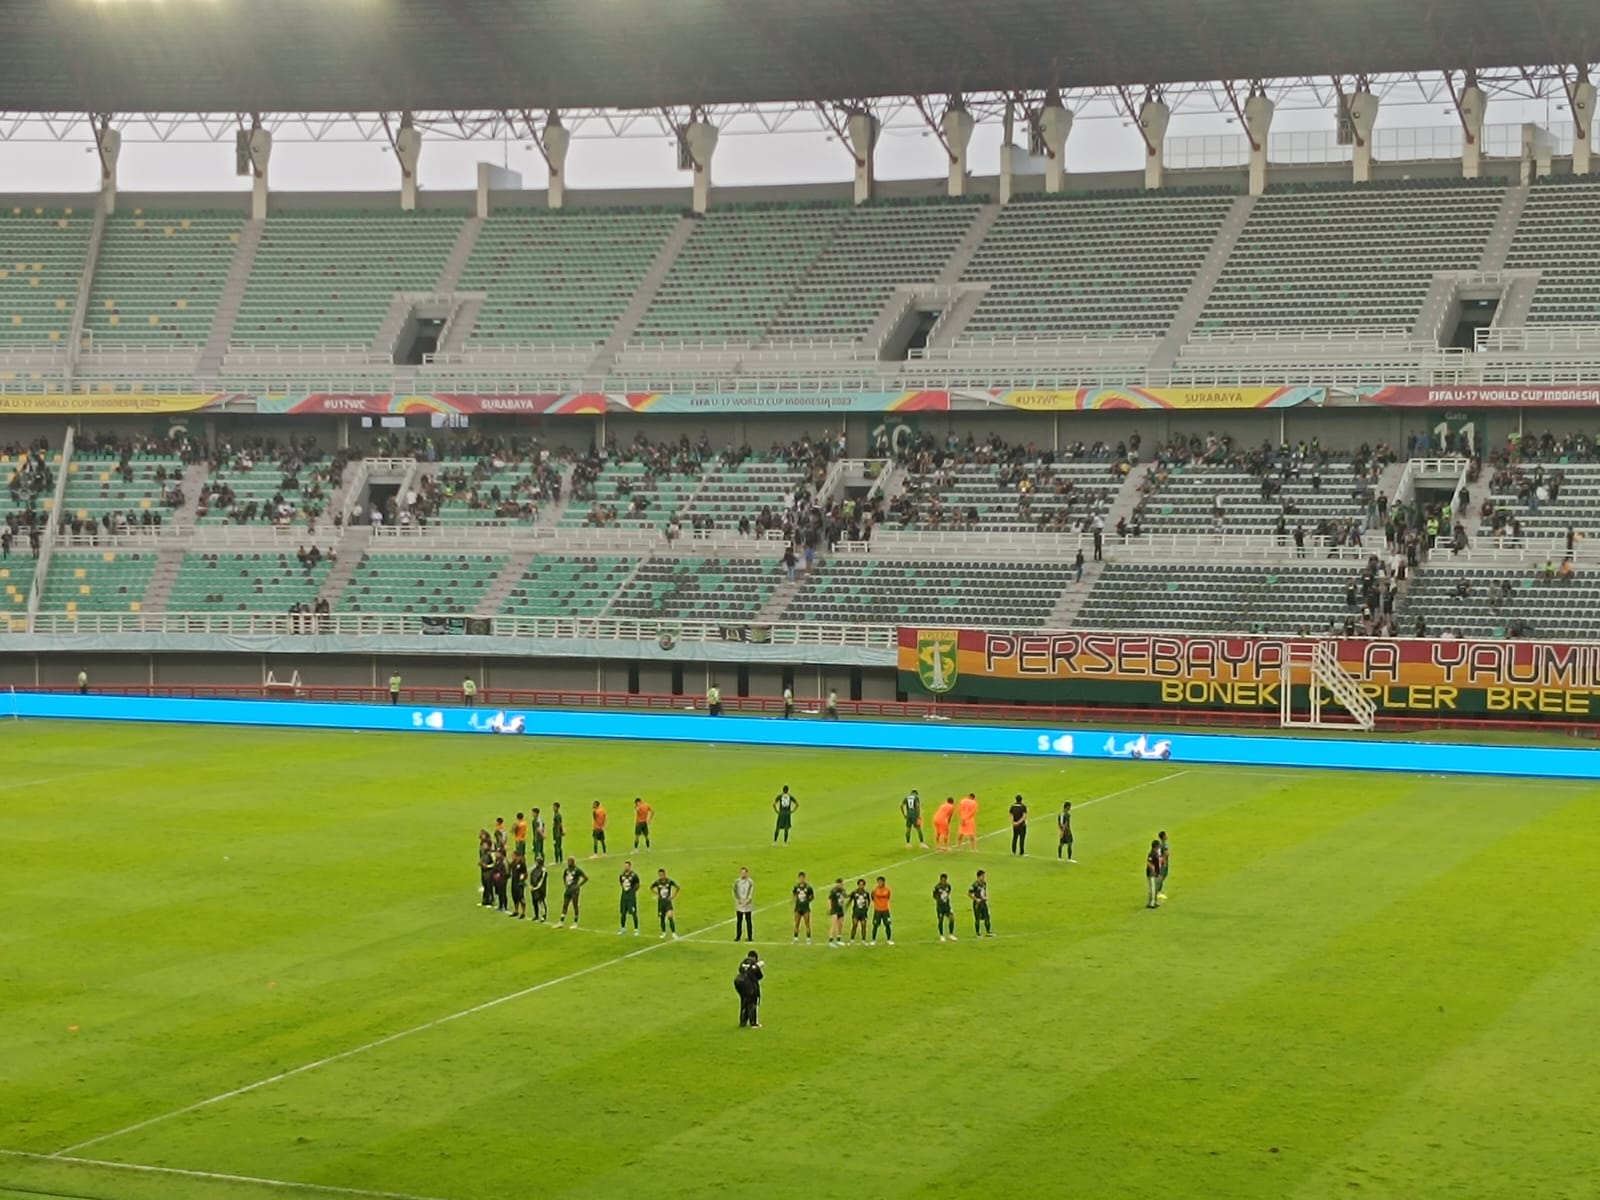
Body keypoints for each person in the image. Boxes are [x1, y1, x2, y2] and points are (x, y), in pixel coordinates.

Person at [735, 951, 764, 1028]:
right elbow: (760, 976)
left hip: (739, 984)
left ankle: (743, 1022)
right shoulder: (754, 965)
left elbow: (740, 971)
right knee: (752, 1003)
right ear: (755, 957)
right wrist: (758, 967)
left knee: (744, 1002)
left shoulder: (742, 963)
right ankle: (753, 1023)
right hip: (749, 985)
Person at [557, 856, 588, 927]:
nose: (568, 863)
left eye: (570, 861)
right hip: (568, 889)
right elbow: (564, 876)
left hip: (574, 890)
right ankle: (561, 921)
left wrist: (579, 885)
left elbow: (586, 878)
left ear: (573, 862)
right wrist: (565, 884)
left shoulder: (577, 870)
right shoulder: (567, 870)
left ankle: (575, 922)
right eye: (568, 861)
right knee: (565, 905)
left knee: (575, 905)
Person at [652, 868, 680, 939]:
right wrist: (657, 894)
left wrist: (673, 897)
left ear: (664, 874)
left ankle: (673, 933)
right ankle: (663, 932)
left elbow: (678, 887)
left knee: (670, 916)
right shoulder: (657, 882)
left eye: (662, 875)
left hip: (668, 902)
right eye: (659, 875)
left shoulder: (669, 881)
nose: (660, 876)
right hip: (661, 903)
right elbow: (651, 887)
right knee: (662, 918)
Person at [618, 860, 642, 935]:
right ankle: (623, 928)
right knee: (623, 913)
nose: (625, 867)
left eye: (627, 866)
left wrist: (633, 891)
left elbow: (638, 885)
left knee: (634, 913)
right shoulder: (622, 875)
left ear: (630, 866)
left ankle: (636, 929)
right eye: (625, 866)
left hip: (631, 897)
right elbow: (621, 883)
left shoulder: (634, 875)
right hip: (624, 896)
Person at [791, 871, 816, 944]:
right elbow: (794, 895)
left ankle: (808, 939)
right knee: (796, 924)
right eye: (800, 878)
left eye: (803, 878)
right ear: (799, 878)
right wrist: (793, 901)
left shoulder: (808, 887)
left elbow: (812, 897)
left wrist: (808, 901)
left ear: (805, 878)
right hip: (798, 908)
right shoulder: (796, 887)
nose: (802, 879)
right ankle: (795, 939)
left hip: (806, 909)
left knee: (807, 924)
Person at [933, 872, 957, 942]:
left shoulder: (948, 886)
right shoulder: (936, 887)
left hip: (947, 906)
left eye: (945, 880)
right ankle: (941, 935)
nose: (943, 882)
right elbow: (934, 895)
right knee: (941, 920)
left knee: (952, 918)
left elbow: (948, 892)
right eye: (942, 880)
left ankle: (951, 934)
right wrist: (939, 900)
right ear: (940, 880)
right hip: (940, 907)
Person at [733, 866, 755, 941]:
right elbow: (734, 891)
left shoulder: (750, 882)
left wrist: (747, 901)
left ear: (747, 873)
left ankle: (750, 937)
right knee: (739, 921)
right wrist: (739, 900)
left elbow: (751, 893)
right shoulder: (737, 881)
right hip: (739, 904)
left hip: (748, 904)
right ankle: (738, 936)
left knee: (748, 920)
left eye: (744, 873)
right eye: (742, 873)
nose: (743, 874)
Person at [847, 877, 872, 945]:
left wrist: (867, 908)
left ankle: (863, 939)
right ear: (858, 885)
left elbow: (868, 901)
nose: (861, 886)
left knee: (863, 925)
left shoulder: (866, 893)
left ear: (864, 885)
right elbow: (850, 900)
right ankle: (852, 939)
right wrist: (846, 907)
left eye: (862, 884)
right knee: (854, 925)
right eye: (860, 884)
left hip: (863, 912)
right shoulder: (854, 892)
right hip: (856, 912)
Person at [968, 870, 993, 937]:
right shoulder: (975, 885)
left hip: (983, 902)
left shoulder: (984, 883)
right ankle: (977, 933)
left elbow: (984, 891)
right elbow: (969, 894)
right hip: (977, 904)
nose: (984, 877)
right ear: (979, 876)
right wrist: (976, 899)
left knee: (987, 916)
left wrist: (986, 897)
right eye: (983, 876)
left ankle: (988, 932)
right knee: (977, 918)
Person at [870, 876, 894, 945]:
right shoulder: (874, 890)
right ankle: (873, 940)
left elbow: (888, 897)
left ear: (883, 882)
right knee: (875, 925)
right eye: (878, 882)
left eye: (881, 881)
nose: (879, 883)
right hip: (877, 910)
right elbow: (872, 898)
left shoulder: (887, 890)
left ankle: (889, 939)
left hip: (885, 910)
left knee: (887, 924)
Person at [826, 877, 847, 947]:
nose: (841, 885)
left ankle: (839, 939)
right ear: (837, 884)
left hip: (840, 909)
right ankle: (830, 940)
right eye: (840, 884)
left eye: (842, 884)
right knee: (834, 924)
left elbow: (845, 896)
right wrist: (829, 909)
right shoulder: (833, 891)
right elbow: (829, 899)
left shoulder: (843, 890)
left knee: (840, 924)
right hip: (834, 910)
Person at [528, 856, 549, 922]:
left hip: (540, 889)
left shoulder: (543, 870)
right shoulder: (534, 870)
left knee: (541, 902)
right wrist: (531, 886)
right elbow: (531, 878)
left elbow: (541, 881)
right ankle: (536, 915)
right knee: (534, 902)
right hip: (533, 888)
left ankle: (543, 916)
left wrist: (536, 888)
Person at [477, 835, 495, 908]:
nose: (483, 846)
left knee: (489, 886)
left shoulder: (491, 853)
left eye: (485, 845)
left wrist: (487, 866)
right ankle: (484, 901)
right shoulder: (484, 853)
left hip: (489, 872)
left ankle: (490, 901)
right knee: (485, 885)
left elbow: (494, 863)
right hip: (484, 872)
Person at [1146, 839, 1163, 909]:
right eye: (1158, 846)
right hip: (1151, 874)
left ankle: (1154, 902)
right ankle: (1151, 903)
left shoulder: (1156, 853)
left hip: (1156, 873)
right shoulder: (1152, 853)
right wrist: (1153, 870)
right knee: (1152, 889)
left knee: (1155, 889)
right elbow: (1149, 863)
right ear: (1156, 846)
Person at [510, 853, 528, 919]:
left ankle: (523, 912)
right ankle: (516, 910)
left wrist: (522, 879)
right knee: (514, 896)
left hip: (520, 883)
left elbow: (525, 873)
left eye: (513, 856)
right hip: (514, 882)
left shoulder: (522, 863)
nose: (512, 857)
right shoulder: (512, 863)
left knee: (521, 896)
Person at [1157, 830, 1170, 901]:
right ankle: (1158, 892)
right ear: (1164, 836)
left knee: (1164, 875)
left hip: (1164, 861)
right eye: (1166, 835)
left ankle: (1158, 890)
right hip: (1164, 862)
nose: (1167, 836)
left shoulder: (1162, 843)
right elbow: (1166, 853)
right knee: (1162, 876)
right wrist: (1164, 860)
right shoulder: (1163, 844)